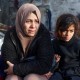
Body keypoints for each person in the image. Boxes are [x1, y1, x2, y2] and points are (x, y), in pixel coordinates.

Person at [1, 3, 53, 80]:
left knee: (31, 78)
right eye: (28, 21)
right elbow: (9, 63)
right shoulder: (11, 34)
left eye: (36, 21)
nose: (33, 26)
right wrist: (35, 66)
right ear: (21, 20)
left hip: (34, 73)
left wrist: (16, 69)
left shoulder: (43, 33)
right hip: (15, 73)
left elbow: (44, 64)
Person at [49, 13, 80, 80]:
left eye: (71, 31)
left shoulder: (78, 43)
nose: (67, 34)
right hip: (59, 71)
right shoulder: (54, 43)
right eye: (64, 30)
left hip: (75, 72)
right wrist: (54, 60)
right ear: (58, 30)